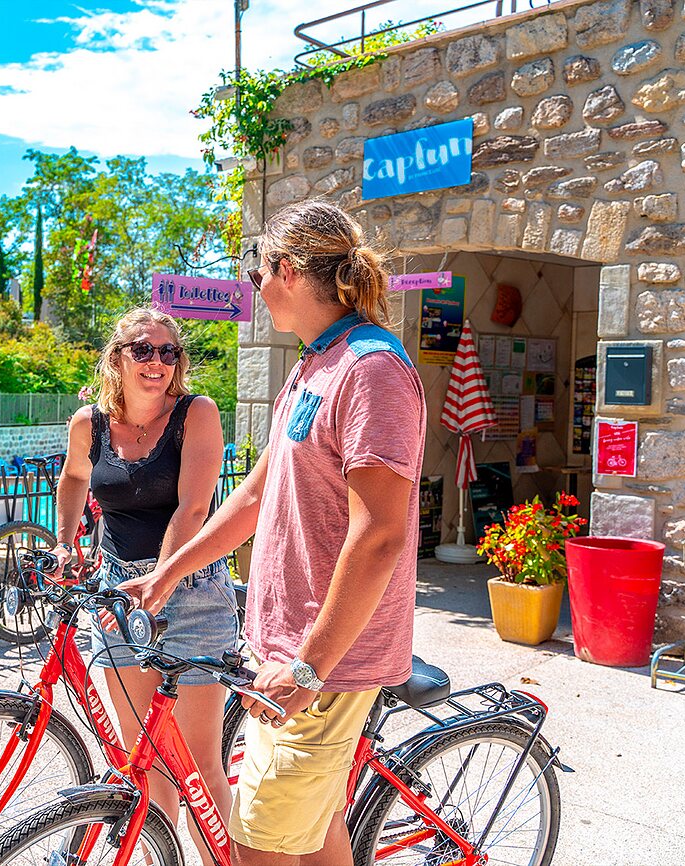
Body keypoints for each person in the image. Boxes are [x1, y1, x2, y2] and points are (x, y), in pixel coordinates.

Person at [118, 199, 426, 866]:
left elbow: (379, 535)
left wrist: (311, 666)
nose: (254, 291)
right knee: (316, 836)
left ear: (284, 270)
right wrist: (170, 570)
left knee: (254, 849)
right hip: (287, 657)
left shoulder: (371, 369)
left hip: (325, 665)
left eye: (256, 275)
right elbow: (256, 494)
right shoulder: (313, 364)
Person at [50, 307, 235, 865]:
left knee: (198, 764)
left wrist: (162, 577)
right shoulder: (89, 423)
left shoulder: (196, 414)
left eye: (168, 352)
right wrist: (66, 542)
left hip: (191, 588)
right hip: (116, 591)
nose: (157, 362)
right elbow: (76, 476)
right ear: (118, 357)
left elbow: (194, 505)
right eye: (143, 350)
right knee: (145, 758)